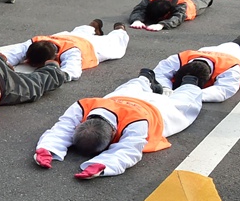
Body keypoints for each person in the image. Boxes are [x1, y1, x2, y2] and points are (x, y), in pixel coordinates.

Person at [33, 73, 204, 179]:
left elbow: (130, 149)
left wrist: (104, 165)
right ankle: (145, 79)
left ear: (114, 132)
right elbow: (62, 129)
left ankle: (189, 84)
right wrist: (47, 148)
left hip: (158, 108)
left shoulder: (137, 123)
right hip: (123, 98)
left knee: (184, 105)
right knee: (131, 87)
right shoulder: (84, 105)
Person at [0, 19, 129, 81]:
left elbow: (72, 71)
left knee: (114, 44)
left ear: (52, 59)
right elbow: (14, 52)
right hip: (67, 37)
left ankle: (119, 29)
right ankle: (92, 27)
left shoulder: (72, 52)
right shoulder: (35, 41)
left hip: (89, 45)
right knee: (79, 32)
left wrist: (59, 74)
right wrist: (4, 61)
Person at [150, 35, 240, 103]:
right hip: (213, 50)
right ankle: (238, 41)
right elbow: (159, 72)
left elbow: (223, 91)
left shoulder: (231, 69)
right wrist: (165, 87)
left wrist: (190, 94)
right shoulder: (179, 58)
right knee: (228, 46)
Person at [128, 0, 211, 31]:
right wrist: (136, 20)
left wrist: (162, 25)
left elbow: (178, 17)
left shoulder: (183, 6)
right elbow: (139, 9)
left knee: (205, 0)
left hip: (192, 2)